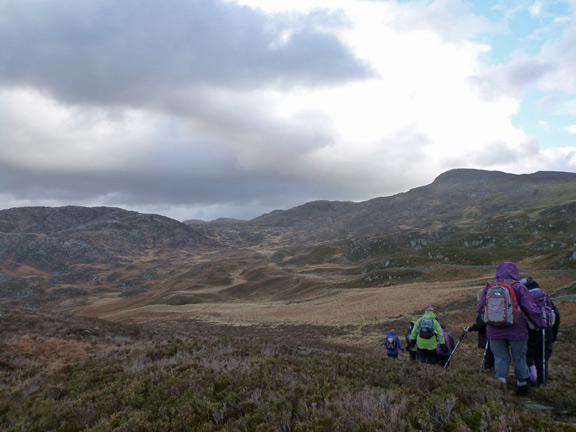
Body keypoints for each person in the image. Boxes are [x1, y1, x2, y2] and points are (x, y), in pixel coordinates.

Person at [477, 262, 546, 396]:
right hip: (517, 331)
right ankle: (522, 386)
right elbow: (531, 309)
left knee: (500, 358)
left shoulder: (489, 286)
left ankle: (500, 385)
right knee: (519, 358)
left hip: (493, 331)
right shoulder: (519, 287)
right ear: (515, 272)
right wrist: (539, 323)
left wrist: (489, 321)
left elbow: (480, 308)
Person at [522, 278, 561, 386]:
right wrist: (553, 334)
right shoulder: (544, 296)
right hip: (546, 331)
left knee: (527, 359)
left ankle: (529, 383)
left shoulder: (525, 297)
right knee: (542, 360)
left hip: (530, 332)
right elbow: (556, 314)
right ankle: (542, 385)